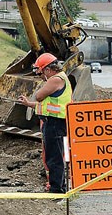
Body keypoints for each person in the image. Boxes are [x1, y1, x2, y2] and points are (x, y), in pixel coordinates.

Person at [18, 53, 72, 194]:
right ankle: (59, 187)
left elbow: (40, 96)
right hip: (53, 122)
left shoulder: (55, 80)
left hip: (55, 123)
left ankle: (57, 190)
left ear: (48, 69)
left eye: (40, 72)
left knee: (54, 158)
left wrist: (42, 87)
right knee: (54, 156)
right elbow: (45, 104)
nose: (40, 76)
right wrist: (28, 104)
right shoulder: (58, 79)